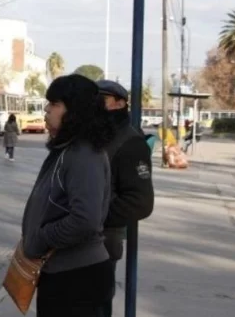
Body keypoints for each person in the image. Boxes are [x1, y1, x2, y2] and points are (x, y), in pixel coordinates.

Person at [21, 74, 116, 316]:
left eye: (54, 104)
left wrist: (42, 237)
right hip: (62, 275)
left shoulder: (84, 153)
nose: (46, 111)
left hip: (78, 279)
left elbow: (85, 220)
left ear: (74, 110)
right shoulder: (68, 148)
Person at [96, 80, 155, 317]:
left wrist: (96, 217)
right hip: (82, 238)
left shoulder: (130, 142)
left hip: (103, 239)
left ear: (120, 103)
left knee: (96, 305)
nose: (95, 104)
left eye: (102, 99)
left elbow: (140, 202)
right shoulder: (97, 135)